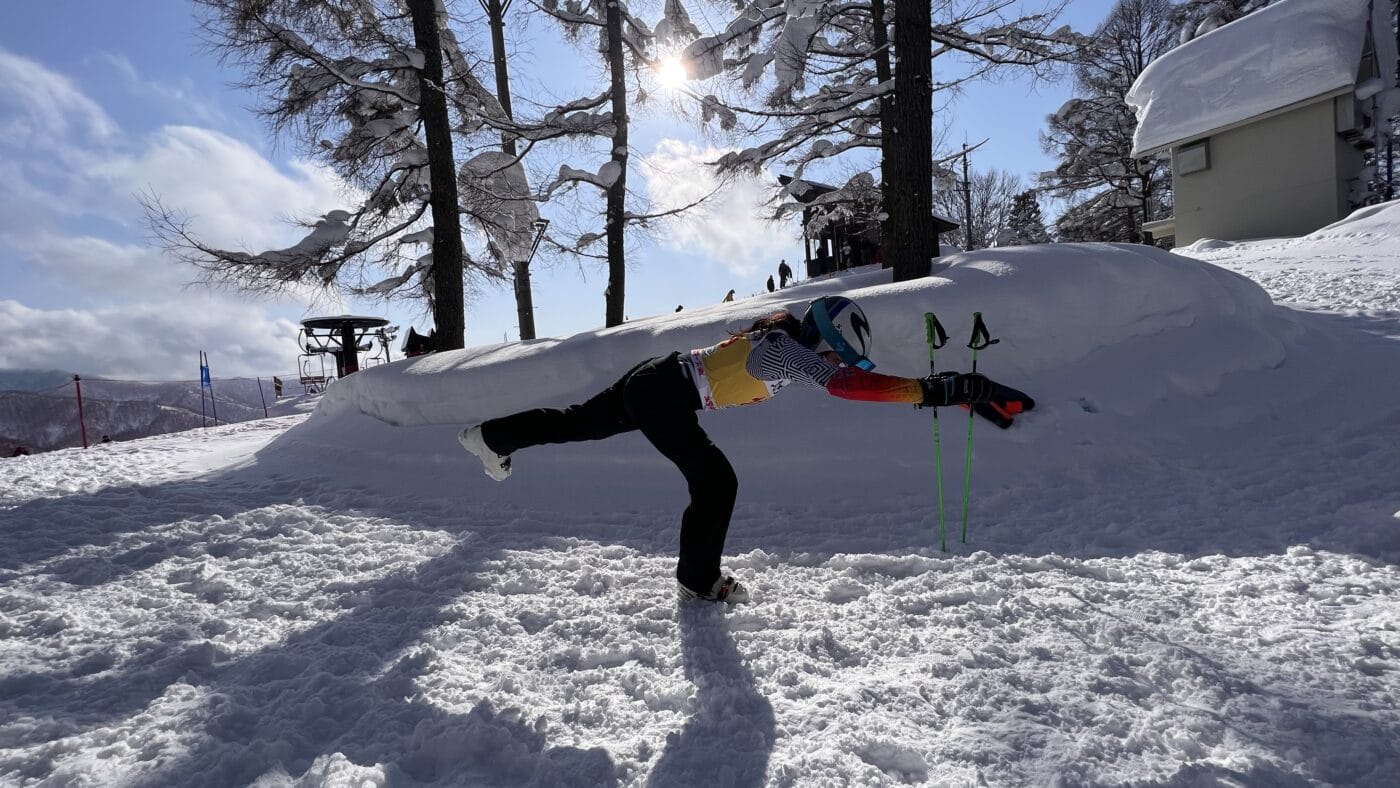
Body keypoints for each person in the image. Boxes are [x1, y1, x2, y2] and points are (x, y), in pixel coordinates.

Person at [457, 296, 1019, 605]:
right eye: (836, 353)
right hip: (663, 392)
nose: (836, 364)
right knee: (715, 480)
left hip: (656, 381)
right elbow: (845, 386)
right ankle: (698, 579)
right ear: (822, 339)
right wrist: (930, 391)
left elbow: (838, 377)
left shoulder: (779, 341)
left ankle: (489, 436)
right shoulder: (784, 349)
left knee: (578, 424)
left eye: (841, 358)